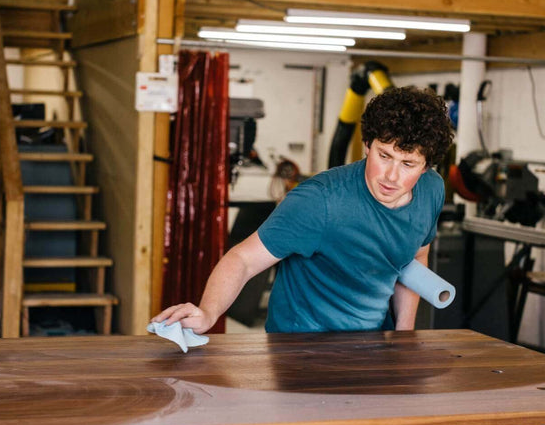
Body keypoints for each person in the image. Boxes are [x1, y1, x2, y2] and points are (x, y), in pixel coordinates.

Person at [153, 85, 454, 334]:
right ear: (366, 144)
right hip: (300, 347)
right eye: (384, 155)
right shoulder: (320, 201)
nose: (391, 175)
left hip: (372, 344)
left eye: (407, 164)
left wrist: (403, 336)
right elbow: (243, 259)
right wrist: (208, 312)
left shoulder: (431, 191)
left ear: (426, 165)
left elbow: (414, 258)